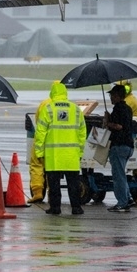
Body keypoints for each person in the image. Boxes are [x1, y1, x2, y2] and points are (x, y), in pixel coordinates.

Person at [34, 81, 87, 215]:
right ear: (65, 93)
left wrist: (39, 152)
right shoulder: (76, 109)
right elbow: (82, 133)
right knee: (73, 184)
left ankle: (55, 208)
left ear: (52, 93)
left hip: (53, 155)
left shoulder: (48, 108)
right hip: (71, 155)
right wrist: (80, 151)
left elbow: (40, 133)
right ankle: (76, 207)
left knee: (54, 184)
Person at [105, 84, 134, 212]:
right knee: (122, 173)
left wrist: (107, 123)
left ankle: (122, 202)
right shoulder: (128, 108)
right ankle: (128, 198)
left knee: (118, 176)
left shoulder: (118, 109)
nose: (110, 98)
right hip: (129, 146)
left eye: (112, 95)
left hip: (119, 145)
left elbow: (119, 126)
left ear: (117, 96)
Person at [28, 96, 50, 204]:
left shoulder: (44, 104)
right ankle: (53, 193)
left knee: (37, 165)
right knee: (52, 169)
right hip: (61, 144)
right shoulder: (71, 106)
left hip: (42, 139)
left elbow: (37, 121)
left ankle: (37, 193)